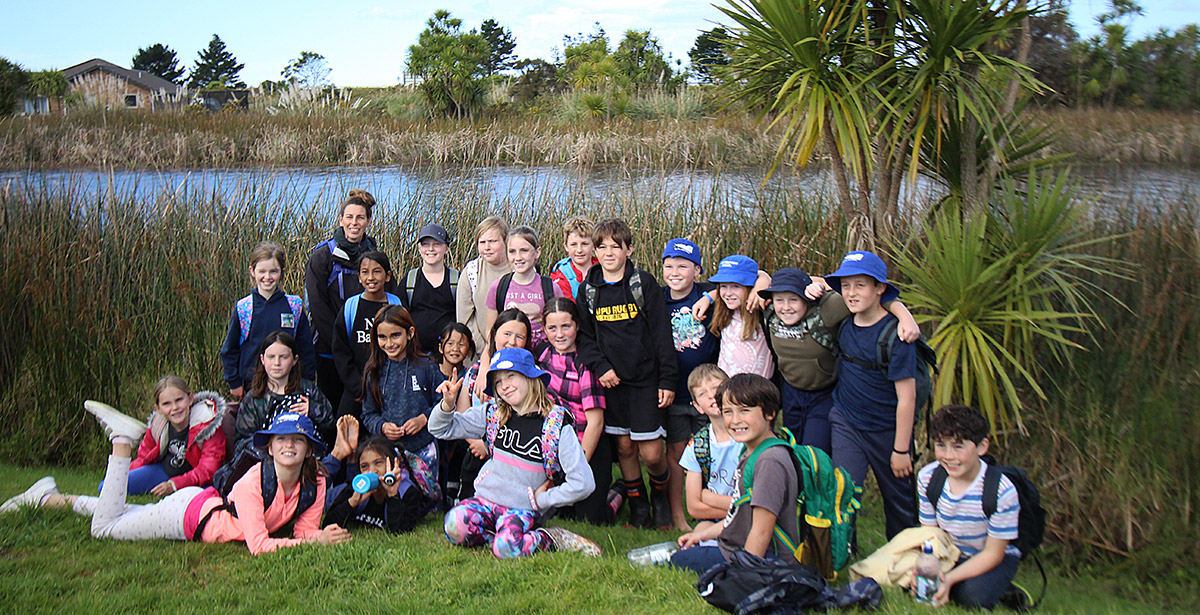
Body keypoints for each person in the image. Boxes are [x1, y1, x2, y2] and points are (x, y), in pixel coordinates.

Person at [2, 405, 351, 555]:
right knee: (104, 529)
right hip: (186, 517)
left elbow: (304, 530)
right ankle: (122, 444)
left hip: (194, 505)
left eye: (297, 440)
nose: (289, 445)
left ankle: (46, 497)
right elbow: (259, 546)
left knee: (123, 513)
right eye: (281, 439)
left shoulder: (314, 483)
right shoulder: (252, 482)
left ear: (308, 450)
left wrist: (321, 535)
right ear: (270, 448)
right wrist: (312, 544)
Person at [431, 347, 601, 559]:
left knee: (507, 548)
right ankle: (502, 536)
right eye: (499, 381)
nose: (505, 386)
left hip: (520, 508)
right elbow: (440, 429)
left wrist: (543, 500)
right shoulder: (493, 414)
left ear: (531, 376)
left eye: (511, 376)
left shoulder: (555, 425)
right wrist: (447, 405)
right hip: (485, 500)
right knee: (454, 526)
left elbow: (584, 483)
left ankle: (550, 538)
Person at [574, 218, 677, 529]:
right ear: (595, 251)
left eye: (615, 247)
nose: (608, 253)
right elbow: (584, 337)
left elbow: (662, 335)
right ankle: (639, 507)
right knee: (624, 448)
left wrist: (668, 380)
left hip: (645, 381)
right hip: (612, 382)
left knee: (652, 452)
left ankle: (661, 500)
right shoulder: (589, 289)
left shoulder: (643, 284)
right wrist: (601, 367)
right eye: (602, 247)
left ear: (628, 250)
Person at [759, 267, 919, 456]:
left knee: (814, 455)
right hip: (791, 392)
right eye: (779, 300)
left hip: (824, 394)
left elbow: (872, 297)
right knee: (793, 450)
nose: (786, 307)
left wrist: (905, 316)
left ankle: (818, 484)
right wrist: (761, 282)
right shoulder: (768, 311)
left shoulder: (827, 308)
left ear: (807, 298)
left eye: (793, 299)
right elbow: (742, 284)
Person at [825, 250, 919, 539]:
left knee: (899, 499)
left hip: (887, 429)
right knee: (843, 491)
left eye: (860, 285)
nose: (851, 293)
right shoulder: (844, 323)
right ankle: (841, 549)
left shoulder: (897, 337)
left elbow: (907, 398)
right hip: (846, 421)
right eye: (846, 285)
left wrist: (901, 450)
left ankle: (904, 555)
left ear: (880, 289)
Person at [670, 374, 799, 575]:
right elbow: (738, 515)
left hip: (767, 558)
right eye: (728, 412)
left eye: (745, 411)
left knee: (678, 561)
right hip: (739, 544)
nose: (735, 420)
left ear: (770, 413)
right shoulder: (749, 453)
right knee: (690, 546)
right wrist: (702, 536)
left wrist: (744, 576)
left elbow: (761, 531)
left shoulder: (769, 460)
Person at [916, 405, 1022, 609]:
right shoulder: (928, 478)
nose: (948, 456)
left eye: (958, 447)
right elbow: (930, 535)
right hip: (950, 552)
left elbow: (993, 553)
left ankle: (1003, 587)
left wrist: (948, 578)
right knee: (915, 578)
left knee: (972, 598)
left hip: (991, 556)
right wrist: (930, 570)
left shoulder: (1001, 490)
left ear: (982, 447)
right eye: (941, 445)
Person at [306, 189, 388, 415]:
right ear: (340, 219)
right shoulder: (323, 255)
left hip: (365, 347)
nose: (354, 223)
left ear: (368, 221)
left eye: (360, 218)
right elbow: (317, 304)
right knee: (332, 408)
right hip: (328, 346)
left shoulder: (374, 254)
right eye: (349, 217)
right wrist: (338, 341)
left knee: (364, 407)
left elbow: (384, 298)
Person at [445, 308, 533, 503]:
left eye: (520, 336)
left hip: (514, 450)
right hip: (478, 446)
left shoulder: (531, 374)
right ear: (494, 336)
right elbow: (462, 411)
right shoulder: (477, 371)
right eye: (507, 334)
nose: (512, 341)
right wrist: (476, 443)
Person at [536, 298, 611, 524]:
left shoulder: (585, 363)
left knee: (590, 518)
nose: (559, 334)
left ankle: (618, 493)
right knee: (557, 511)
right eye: (552, 328)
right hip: (553, 445)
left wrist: (577, 468)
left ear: (576, 326)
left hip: (585, 443)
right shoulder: (542, 354)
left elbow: (595, 422)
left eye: (566, 326)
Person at [220, 241, 315, 401]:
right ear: (252, 271)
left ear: (282, 272)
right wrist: (234, 382)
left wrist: (307, 381)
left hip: (289, 385)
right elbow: (230, 350)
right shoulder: (244, 308)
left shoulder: (294, 306)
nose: (267, 277)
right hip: (252, 387)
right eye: (262, 271)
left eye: (273, 272)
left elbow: (305, 348)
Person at [358, 305, 441, 480]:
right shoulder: (374, 372)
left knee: (427, 500)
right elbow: (368, 414)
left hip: (424, 449)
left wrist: (424, 419)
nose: (389, 343)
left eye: (395, 335)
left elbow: (444, 405)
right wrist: (382, 426)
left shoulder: (427, 367)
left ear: (409, 333)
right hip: (388, 452)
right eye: (382, 337)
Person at [231, 331, 335, 463]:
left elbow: (331, 428)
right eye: (271, 357)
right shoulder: (253, 398)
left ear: (294, 360)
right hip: (265, 464)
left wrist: (313, 410)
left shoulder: (308, 390)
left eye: (284, 357)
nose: (277, 363)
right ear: (262, 359)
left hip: (307, 462)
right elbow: (241, 443)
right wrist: (272, 449)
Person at [118, 376, 228, 496]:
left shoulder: (208, 423)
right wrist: (122, 474)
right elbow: (143, 457)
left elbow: (208, 470)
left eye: (179, 400)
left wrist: (175, 484)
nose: (175, 408)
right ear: (158, 408)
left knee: (207, 498)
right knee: (109, 486)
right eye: (167, 404)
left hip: (197, 481)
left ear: (190, 398)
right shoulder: (157, 426)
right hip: (164, 472)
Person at [332, 250, 402, 419]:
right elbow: (340, 349)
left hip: (389, 385)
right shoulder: (351, 307)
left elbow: (405, 346)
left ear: (387, 276)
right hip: (357, 386)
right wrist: (358, 386)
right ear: (359, 277)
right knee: (345, 426)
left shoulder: (396, 305)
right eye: (365, 272)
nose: (370, 277)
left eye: (377, 271)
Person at [323, 434, 436, 534]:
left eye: (378, 463)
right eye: (365, 466)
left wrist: (393, 495)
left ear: (392, 464)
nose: (372, 471)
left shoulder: (406, 491)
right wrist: (352, 502)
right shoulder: (356, 489)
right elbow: (328, 525)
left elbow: (400, 530)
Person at [677, 365, 740, 538]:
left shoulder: (747, 437)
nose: (712, 395)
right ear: (697, 406)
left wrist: (710, 498)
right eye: (703, 394)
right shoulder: (698, 446)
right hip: (713, 519)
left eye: (716, 388)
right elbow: (694, 507)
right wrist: (737, 509)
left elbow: (757, 504)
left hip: (748, 518)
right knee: (700, 531)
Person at [486, 225, 564, 347]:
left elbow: (560, 328)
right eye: (512, 251)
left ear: (537, 252)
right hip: (510, 354)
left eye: (524, 250)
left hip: (542, 357)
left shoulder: (551, 288)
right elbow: (491, 331)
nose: (518, 257)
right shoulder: (498, 287)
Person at [709, 255, 775, 379]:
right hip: (727, 389)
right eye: (723, 286)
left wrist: (763, 279)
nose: (728, 293)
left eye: (736, 286)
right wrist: (707, 298)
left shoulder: (764, 311)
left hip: (758, 390)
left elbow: (789, 284)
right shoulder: (722, 312)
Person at [456, 216, 511, 356]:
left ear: (506, 241)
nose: (487, 247)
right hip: (478, 354)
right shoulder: (471, 272)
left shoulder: (520, 270)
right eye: (482, 242)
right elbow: (465, 318)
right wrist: (486, 350)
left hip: (514, 351)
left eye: (493, 241)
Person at [403, 223, 459, 351]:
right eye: (425, 244)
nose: (430, 249)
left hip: (449, 355)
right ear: (419, 248)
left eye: (437, 244)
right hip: (416, 354)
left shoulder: (456, 279)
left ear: (447, 249)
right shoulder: (410, 280)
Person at [549, 216, 597, 302]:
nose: (579, 250)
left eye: (585, 244)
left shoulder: (604, 269)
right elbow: (566, 307)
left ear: (593, 245)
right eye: (573, 244)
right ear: (566, 247)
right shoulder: (560, 274)